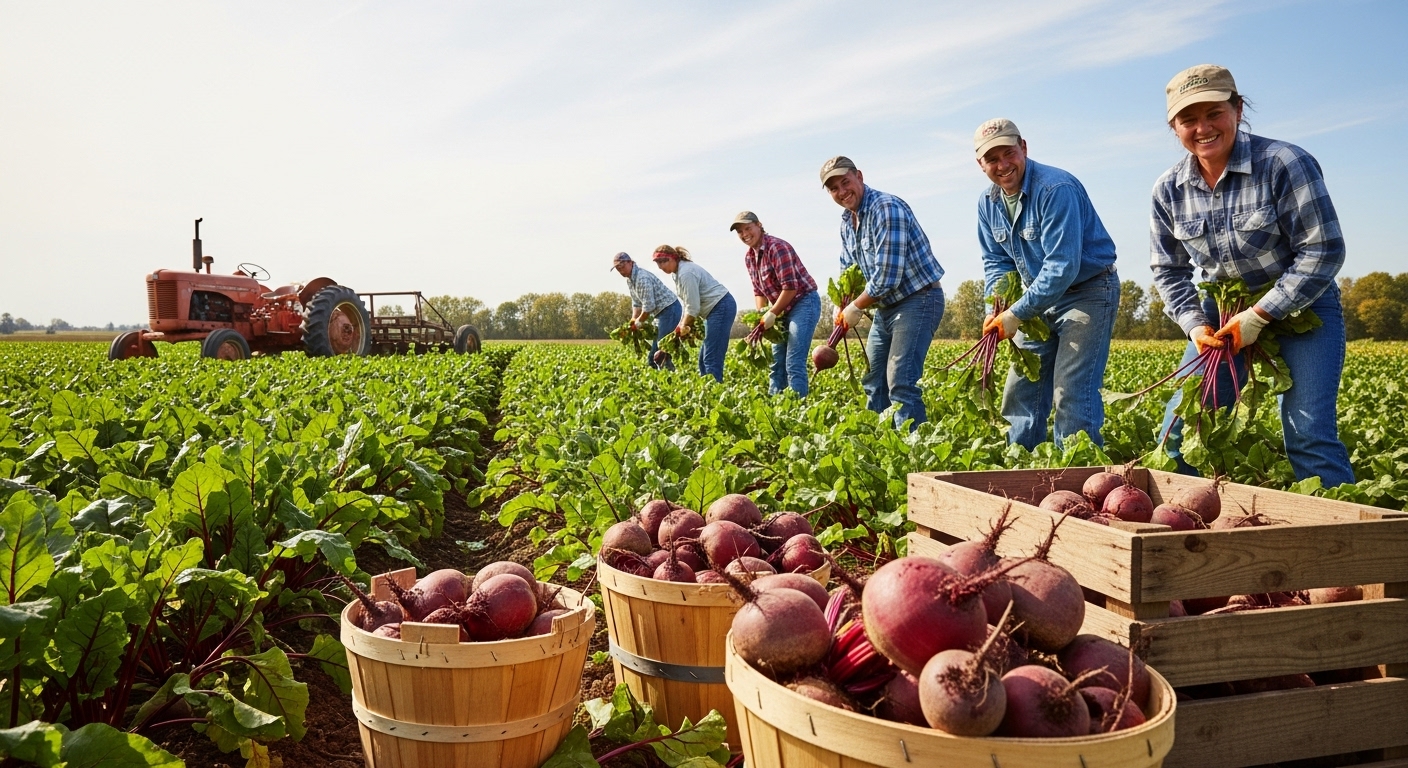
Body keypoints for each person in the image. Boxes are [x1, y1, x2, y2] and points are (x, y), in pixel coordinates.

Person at [1151, 64, 1354, 487]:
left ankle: (1347, 545)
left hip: (1303, 308)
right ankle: (1178, 535)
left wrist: (1261, 315)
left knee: (1308, 435)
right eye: (1188, 119)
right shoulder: (1168, 189)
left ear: (1238, 109)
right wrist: (1194, 326)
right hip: (1222, 319)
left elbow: (1323, 249)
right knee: (1179, 430)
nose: (1202, 128)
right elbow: (1168, 270)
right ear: (1175, 127)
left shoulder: (1283, 162)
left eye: (1214, 113)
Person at [973, 118, 1120, 449]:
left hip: (1088, 292)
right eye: (992, 159)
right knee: (1021, 388)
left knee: (1071, 391)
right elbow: (997, 262)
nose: (1002, 165)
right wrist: (995, 307)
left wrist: (1015, 314)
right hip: (1038, 300)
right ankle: (1020, 470)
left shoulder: (1056, 189)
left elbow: (1062, 266)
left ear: (1023, 148)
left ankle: (1075, 475)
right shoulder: (988, 204)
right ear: (980, 164)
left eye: (1008, 153)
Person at [820, 156, 945, 429]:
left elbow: (888, 276)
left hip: (918, 299)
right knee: (875, 380)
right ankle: (881, 447)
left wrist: (856, 306)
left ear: (859, 177)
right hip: (886, 307)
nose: (842, 192)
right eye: (833, 188)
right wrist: (841, 303)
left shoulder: (885, 208)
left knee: (900, 381)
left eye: (845, 182)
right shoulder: (847, 221)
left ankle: (912, 451)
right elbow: (848, 269)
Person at [731, 211, 822, 397]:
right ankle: (776, 407)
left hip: (803, 302)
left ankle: (797, 408)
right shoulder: (749, 257)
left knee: (793, 361)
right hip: (780, 309)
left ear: (759, 225)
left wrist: (772, 312)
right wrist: (761, 314)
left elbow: (791, 287)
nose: (745, 234)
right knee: (777, 361)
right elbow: (758, 291)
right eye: (740, 231)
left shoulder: (777, 247)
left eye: (748, 228)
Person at [651, 245, 737, 383]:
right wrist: (679, 329)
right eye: (657, 263)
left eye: (663, 261)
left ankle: (714, 392)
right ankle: (708, 390)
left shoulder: (686, 273)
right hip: (712, 311)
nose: (660, 266)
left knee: (711, 357)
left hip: (720, 307)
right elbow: (688, 304)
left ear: (673, 258)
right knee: (704, 360)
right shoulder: (677, 273)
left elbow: (693, 308)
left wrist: (681, 328)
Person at [611, 251, 681, 370]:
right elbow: (637, 303)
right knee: (659, 351)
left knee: (660, 351)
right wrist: (634, 319)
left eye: (622, 266)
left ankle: (668, 378)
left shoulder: (642, 278)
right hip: (660, 314)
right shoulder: (630, 280)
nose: (620, 270)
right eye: (618, 268)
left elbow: (648, 306)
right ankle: (666, 376)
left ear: (630, 262)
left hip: (669, 309)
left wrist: (639, 322)